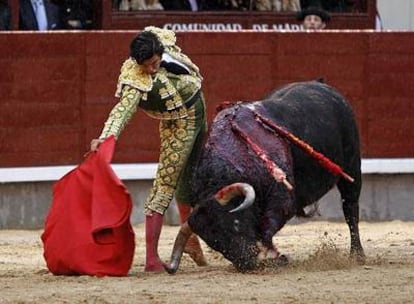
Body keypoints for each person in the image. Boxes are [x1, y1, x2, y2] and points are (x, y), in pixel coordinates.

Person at [90, 26, 208, 272]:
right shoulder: (135, 79)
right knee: (165, 186)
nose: (152, 69)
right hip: (178, 125)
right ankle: (151, 259)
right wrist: (106, 136)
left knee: (193, 178)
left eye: (155, 62)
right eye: (147, 65)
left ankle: (190, 239)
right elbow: (122, 110)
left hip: (199, 110)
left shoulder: (161, 39)